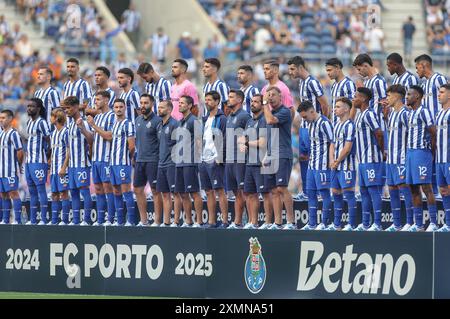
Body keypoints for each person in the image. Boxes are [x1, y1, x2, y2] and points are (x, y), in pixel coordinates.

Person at [288, 56, 330, 199]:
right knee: (303, 157)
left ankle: (319, 191)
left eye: (293, 69)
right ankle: (307, 191)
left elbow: (324, 103)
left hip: (314, 126)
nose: (290, 72)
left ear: (300, 67)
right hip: (304, 126)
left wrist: (323, 122)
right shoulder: (301, 83)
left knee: (316, 158)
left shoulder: (312, 82)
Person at [415, 54, 447, 198]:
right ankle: (433, 193)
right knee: (430, 160)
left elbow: (446, 99)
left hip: (439, 127)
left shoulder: (438, 79)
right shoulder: (424, 84)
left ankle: (441, 193)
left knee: (440, 157)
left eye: (417, 67)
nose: (417, 71)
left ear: (424, 65)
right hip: (428, 129)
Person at [406, 85, 438, 232]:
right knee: (413, 188)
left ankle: (433, 222)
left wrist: (431, 152)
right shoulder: (411, 113)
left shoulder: (424, 111)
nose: (406, 97)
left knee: (426, 187)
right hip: (410, 153)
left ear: (417, 96)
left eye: (409, 94)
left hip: (422, 153)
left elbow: (433, 132)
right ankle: (418, 224)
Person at [298, 101, 334, 230]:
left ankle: (325, 223)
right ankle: (312, 223)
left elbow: (333, 142)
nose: (304, 120)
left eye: (305, 117)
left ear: (312, 111)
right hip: (312, 165)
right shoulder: (310, 124)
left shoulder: (324, 123)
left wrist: (331, 161)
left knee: (324, 194)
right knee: (311, 194)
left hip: (323, 166)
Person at [353, 87, 385, 231]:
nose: (354, 99)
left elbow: (379, 133)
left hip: (372, 159)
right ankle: (366, 223)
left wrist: (382, 151)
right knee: (364, 191)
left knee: (373, 191)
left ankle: (377, 223)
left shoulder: (369, 114)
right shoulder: (359, 115)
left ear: (364, 98)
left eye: (356, 96)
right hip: (362, 161)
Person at [263, 86, 295, 230]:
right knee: (273, 190)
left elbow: (270, 121)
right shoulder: (269, 112)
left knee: (282, 188)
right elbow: (269, 137)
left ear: (280, 96)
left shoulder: (284, 111)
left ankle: (291, 221)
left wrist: (264, 104)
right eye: (268, 95)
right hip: (271, 155)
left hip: (282, 154)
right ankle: (277, 223)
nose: (270, 97)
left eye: (273, 94)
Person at [383, 85, 414, 231]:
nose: (387, 98)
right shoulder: (391, 114)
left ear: (397, 95)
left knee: (404, 188)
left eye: (389, 95)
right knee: (392, 188)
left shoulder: (405, 113)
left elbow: (411, 135)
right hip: (391, 159)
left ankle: (410, 222)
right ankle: (396, 224)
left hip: (401, 158)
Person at [60, 96, 94, 226]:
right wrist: (65, 166)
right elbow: (69, 148)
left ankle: (86, 220)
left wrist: (83, 129)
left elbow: (91, 140)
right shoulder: (69, 125)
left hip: (82, 164)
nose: (66, 111)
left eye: (68, 108)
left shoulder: (83, 122)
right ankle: (75, 220)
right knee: (73, 192)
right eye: (65, 109)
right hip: (72, 165)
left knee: (84, 192)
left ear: (75, 107)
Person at [239, 94, 271, 229]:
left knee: (265, 194)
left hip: (259, 162)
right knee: (250, 194)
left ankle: (269, 222)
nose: (253, 104)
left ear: (262, 104)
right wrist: (242, 144)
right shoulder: (250, 121)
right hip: (249, 162)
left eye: (256, 102)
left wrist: (246, 143)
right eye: (252, 101)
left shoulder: (264, 120)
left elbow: (263, 142)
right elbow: (242, 138)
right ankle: (253, 222)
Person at [86, 91, 116, 226]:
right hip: (96, 158)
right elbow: (93, 137)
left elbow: (109, 136)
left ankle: (111, 218)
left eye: (98, 99)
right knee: (98, 189)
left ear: (106, 101)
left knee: (108, 188)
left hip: (106, 158)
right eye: (95, 99)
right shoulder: (97, 117)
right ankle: (100, 219)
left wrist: (93, 125)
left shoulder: (112, 116)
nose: (95, 102)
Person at [200, 91, 228, 228]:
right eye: (206, 100)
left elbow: (225, 138)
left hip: (215, 159)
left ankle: (224, 221)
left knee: (220, 190)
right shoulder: (205, 119)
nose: (207, 102)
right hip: (204, 159)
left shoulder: (222, 118)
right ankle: (211, 221)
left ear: (217, 102)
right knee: (208, 191)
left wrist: (220, 157)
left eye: (210, 100)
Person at [133, 94, 163, 226]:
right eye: (141, 103)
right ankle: (143, 220)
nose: (143, 105)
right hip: (140, 160)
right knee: (138, 190)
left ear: (152, 104)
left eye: (146, 103)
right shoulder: (138, 119)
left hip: (153, 160)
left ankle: (157, 221)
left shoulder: (157, 121)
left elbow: (161, 142)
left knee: (155, 191)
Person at [174, 96, 203, 227]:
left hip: (190, 162)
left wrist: (197, 159)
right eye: (179, 103)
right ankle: (188, 220)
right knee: (183, 193)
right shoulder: (180, 122)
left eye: (182, 103)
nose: (179, 105)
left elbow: (198, 141)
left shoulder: (194, 121)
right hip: (179, 162)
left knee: (194, 192)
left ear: (190, 105)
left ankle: (199, 221)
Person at [329, 97, 357, 231]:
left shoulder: (350, 125)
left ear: (346, 109)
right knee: (336, 193)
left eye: (338, 107)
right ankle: (337, 224)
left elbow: (347, 148)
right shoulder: (337, 124)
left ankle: (351, 224)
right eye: (335, 107)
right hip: (335, 166)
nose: (335, 109)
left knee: (349, 194)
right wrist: (331, 160)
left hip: (347, 166)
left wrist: (337, 161)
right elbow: (332, 145)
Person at [226, 90, 252, 229]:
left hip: (240, 159)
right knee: (236, 192)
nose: (228, 99)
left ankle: (250, 221)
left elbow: (249, 133)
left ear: (240, 100)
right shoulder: (230, 116)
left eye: (231, 97)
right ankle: (237, 222)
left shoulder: (244, 116)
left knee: (244, 191)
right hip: (230, 159)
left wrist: (245, 146)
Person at [109, 99, 136, 226]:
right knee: (116, 191)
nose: (118, 109)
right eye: (116, 107)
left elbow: (132, 146)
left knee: (126, 191)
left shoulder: (128, 123)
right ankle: (119, 220)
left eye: (121, 106)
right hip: (113, 163)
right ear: (113, 109)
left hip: (123, 162)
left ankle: (130, 220)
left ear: (125, 108)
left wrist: (127, 158)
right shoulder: (114, 124)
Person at [25, 98, 51, 225]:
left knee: (41, 190)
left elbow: (49, 140)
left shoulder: (42, 122)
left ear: (38, 108)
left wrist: (48, 157)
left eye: (32, 106)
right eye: (28, 106)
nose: (29, 108)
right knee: (32, 191)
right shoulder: (29, 122)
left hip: (39, 161)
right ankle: (33, 219)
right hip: (29, 161)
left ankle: (44, 219)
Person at [156, 100, 181, 227]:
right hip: (161, 163)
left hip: (172, 164)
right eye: (158, 107)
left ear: (170, 110)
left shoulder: (175, 124)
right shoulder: (159, 125)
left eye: (162, 107)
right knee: (164, 193)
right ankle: (166, 221)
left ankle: (176, 221)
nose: (159, 109)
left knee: (175, 193)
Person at [0, 110, 24, 224]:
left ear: (10, 119)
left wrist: (17, 165)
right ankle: (5, 220)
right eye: (0, 117)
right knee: (3, 194)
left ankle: (18, 220)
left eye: (3, 117)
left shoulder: (13, 133)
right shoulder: (1, 133)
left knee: (13, 193)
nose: (1, 120)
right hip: (1, 171)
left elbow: (20, 151)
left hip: (10, 170)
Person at [49, 108, 70, 225]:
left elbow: (69, 150)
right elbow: (53, 151)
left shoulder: (66, 132)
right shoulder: (53, 133)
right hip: (53, 168)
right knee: (54, 194)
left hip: (62, 169)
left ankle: (65, 220)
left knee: (64, 193)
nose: (50, 118)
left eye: (52, 116)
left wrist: (64, 167)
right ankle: (55, 219)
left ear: (57, 118)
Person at [325, 58, 356, 124]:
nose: (328, 73)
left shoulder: (348, 84)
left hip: (344, 126)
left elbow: (353, 106)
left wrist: (349, 125)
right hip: (335, 125)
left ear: (337, 68)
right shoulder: (333, 85)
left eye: (329, 70)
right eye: (327, 71)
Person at [436, 84, 450, 232]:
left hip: (449, 159)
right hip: (439, 159)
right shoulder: (439, 114)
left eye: (442, 92)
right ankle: (448, 224)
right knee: (444, 191)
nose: (438, 95)